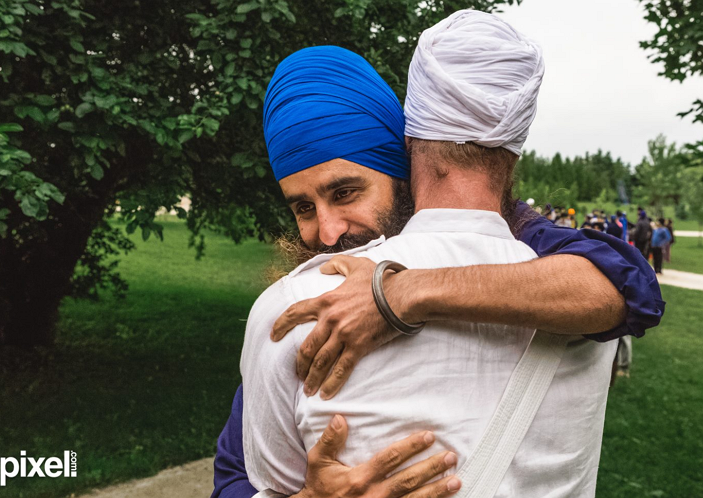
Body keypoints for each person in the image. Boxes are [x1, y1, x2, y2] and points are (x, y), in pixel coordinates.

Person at [213, 30, 663, 498]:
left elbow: (628, 287)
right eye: (303, 208)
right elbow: (232, 474)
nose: (327, 233)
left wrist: (401, 292)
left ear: (403, 169)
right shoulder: (299, 315)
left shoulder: (524, 235)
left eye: (345, 193)